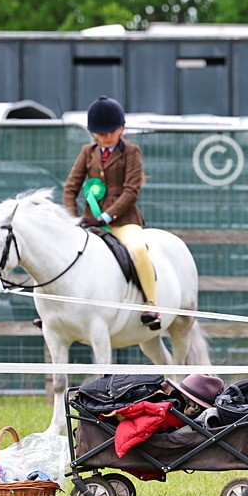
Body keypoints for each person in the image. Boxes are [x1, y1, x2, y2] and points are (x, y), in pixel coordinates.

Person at [62, 96, 160, 328]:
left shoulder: (131, 152)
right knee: (64, 254)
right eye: (101, 133)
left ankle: (151, 304)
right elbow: (70, 188)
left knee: (137, 250)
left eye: (111, 132)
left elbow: (131, 191)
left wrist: (106, 216)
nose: (106, 137)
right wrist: (73, 219)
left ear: (121, 129)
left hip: (123, 221)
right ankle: (56, 310)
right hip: (90, 222)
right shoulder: (87, 152)